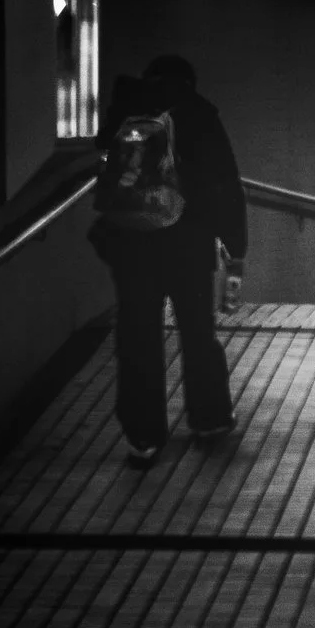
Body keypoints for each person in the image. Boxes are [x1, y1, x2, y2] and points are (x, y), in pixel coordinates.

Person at [90, 54, 247, 464]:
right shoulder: (198, 114)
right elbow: (225, 183)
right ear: (188, 82)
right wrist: (236, 247)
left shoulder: (125, 108)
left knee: (137, 337)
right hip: (188, 243)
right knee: (197, 332)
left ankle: (143, 436)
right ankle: (209, 418)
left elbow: (104, 168)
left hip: (132, 245)